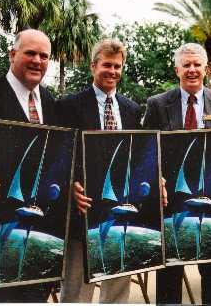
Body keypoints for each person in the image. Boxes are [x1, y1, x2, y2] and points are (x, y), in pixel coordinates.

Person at [143, 43, 211, 305]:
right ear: (177, 70)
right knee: (169, 278)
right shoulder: (157, 104)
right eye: (187, 65)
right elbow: (145, 151)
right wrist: (156, 178)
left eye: (197, 65)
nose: (192, 70)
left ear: (206, 68)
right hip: (170, 204)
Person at [55, 38, 141, 303]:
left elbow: (135, 157)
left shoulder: (131, 109)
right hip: (83, 210)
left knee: (117, 285)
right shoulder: (69, 105)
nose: (112, 71)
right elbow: (59, 156)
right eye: (107, 65)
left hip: (119, 209)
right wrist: (69, 186)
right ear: (94, 66)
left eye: (117, 66)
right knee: (77, 289)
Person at [0, 29, 57, 302]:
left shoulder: (50, 102)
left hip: (35, 231)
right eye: (30, 53)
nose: (37, 61)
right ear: (13, 55)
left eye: (44, 56)